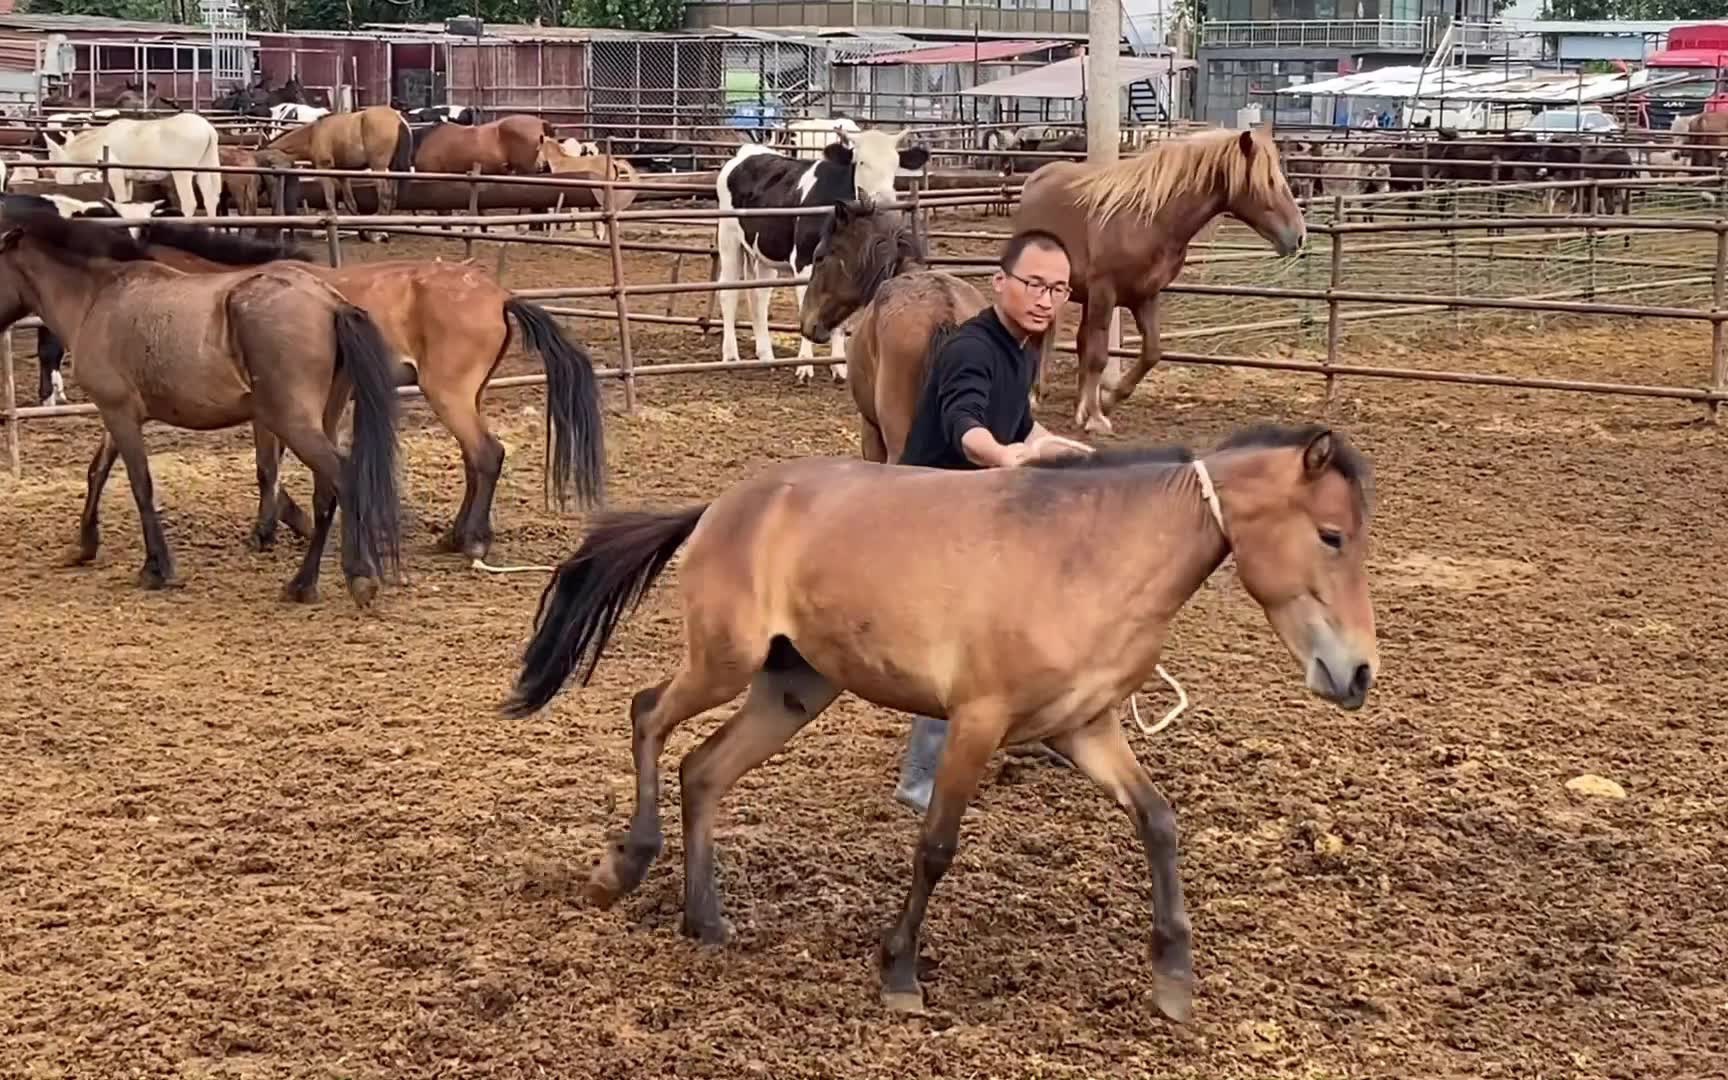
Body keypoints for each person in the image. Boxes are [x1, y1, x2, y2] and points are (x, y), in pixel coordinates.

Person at [891, 228, 1094, 815]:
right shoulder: (971, 349)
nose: (1046, 299)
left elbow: (1016, 422)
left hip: (976, 509)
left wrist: (1053, 445)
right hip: (929, 510)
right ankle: (921, 779)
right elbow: (966, 425)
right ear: (999, 283)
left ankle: (1047, 725)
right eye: (1034, 284)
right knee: (962, 642)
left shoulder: (1023, 347)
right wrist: (1009, 459)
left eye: (1059, 289)